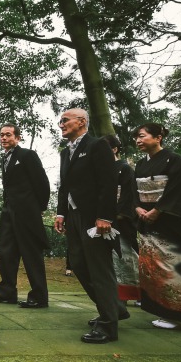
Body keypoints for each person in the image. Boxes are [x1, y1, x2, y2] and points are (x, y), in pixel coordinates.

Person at [54, 108, 123, 344]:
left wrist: (105, 216)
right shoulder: (65, 152)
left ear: (82, 121)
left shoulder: (97, 146)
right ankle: (115, 308)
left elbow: (108, 182)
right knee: (79, 264)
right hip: (73, 216)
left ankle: (107, 325)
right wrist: (61, 212)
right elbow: (65, 185)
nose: (60, 124)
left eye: (65, 120)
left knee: (99, 269)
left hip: (95, 218)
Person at [133, 123, 181, 330]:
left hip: (174, 221)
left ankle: (180, 315)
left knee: (176, 265)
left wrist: (158, 210)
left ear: (158, 137)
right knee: (154, 267)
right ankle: (163, 311)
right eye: (136, 137)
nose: (138, 140)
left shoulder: (175, 160)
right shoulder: (140, 164)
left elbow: (180, 189)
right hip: (149, 219)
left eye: (142, 136)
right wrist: (138, 208)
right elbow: (134, 190)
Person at [0, 123, 51, 308]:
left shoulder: (27, 155)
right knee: (6, 252)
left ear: (17, 137)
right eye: (1, 135)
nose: (4, 138)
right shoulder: (4, 159)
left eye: (8, 135)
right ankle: (7, 292)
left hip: (27, 213)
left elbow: (42, 183)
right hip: (8, 212)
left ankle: (39, 297)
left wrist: (38, 208)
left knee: (31, 254)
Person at [100, 134, 140, 304]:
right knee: (110, 258)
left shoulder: (125, 168)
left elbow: (128, 195)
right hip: (104, 218)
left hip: (121, 220)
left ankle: (138, 293)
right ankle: (117, 294)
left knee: (126, 255)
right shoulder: (101, 169)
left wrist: (119, 215)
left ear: (114, 149)